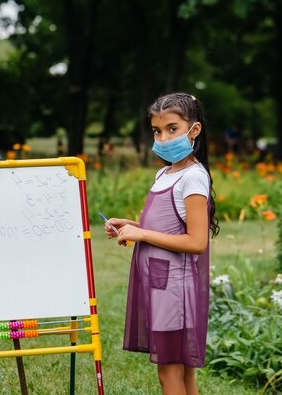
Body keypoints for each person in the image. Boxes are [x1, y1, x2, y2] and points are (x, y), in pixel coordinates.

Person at [104, 92, 219, 395]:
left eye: (172, 129)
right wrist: (132, 226)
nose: (164, 138)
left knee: (170, 375)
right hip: (161, 287)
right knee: (182, 376)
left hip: (175, 293)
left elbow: (195, 242)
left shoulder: (193, 178)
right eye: (157, 130)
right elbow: (165, 228)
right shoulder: (164, 173)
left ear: (194, 131)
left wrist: (142, 235)